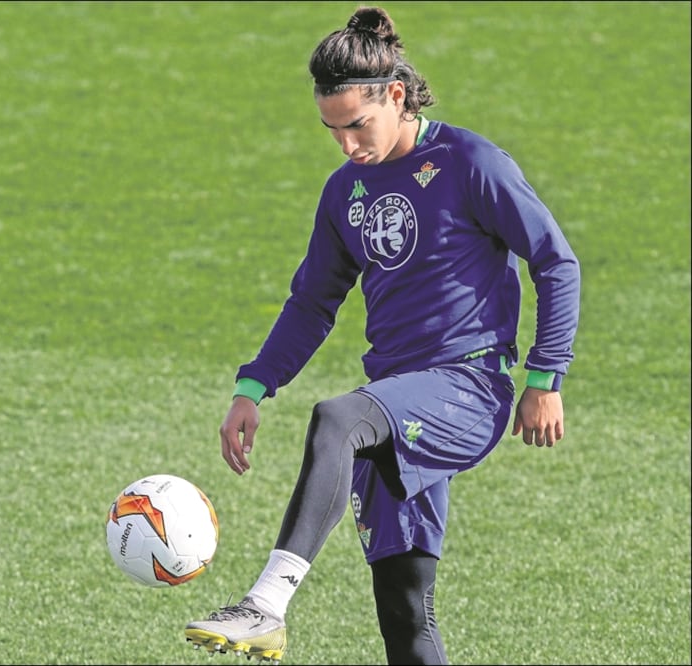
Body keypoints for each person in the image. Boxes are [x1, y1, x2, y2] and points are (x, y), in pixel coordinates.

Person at [184, 6, 580, 665]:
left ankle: (264, 606)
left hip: (466, 387)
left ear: (394, 96)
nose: (345, 143)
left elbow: (554, 259)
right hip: (396, 403)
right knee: (404, 616)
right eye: (330, 129)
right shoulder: (345, 192)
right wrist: (253, 385)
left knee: (337, 420)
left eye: (356, 125)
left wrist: (544, 377)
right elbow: (313, 301)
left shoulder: (468, 161)